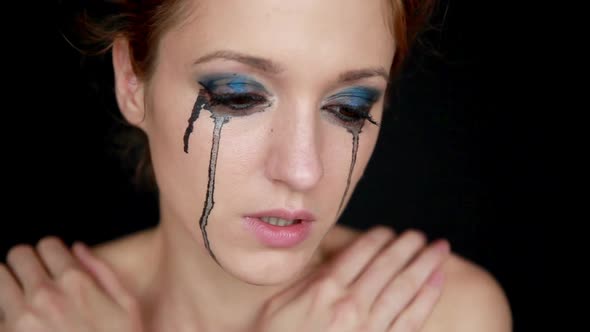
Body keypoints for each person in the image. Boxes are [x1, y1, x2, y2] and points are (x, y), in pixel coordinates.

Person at [0, 0, 512, 331]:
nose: (302, 169)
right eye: (239, 97)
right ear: (132, 80)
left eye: (349, 107)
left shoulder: (441, 315)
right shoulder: (27, 318)